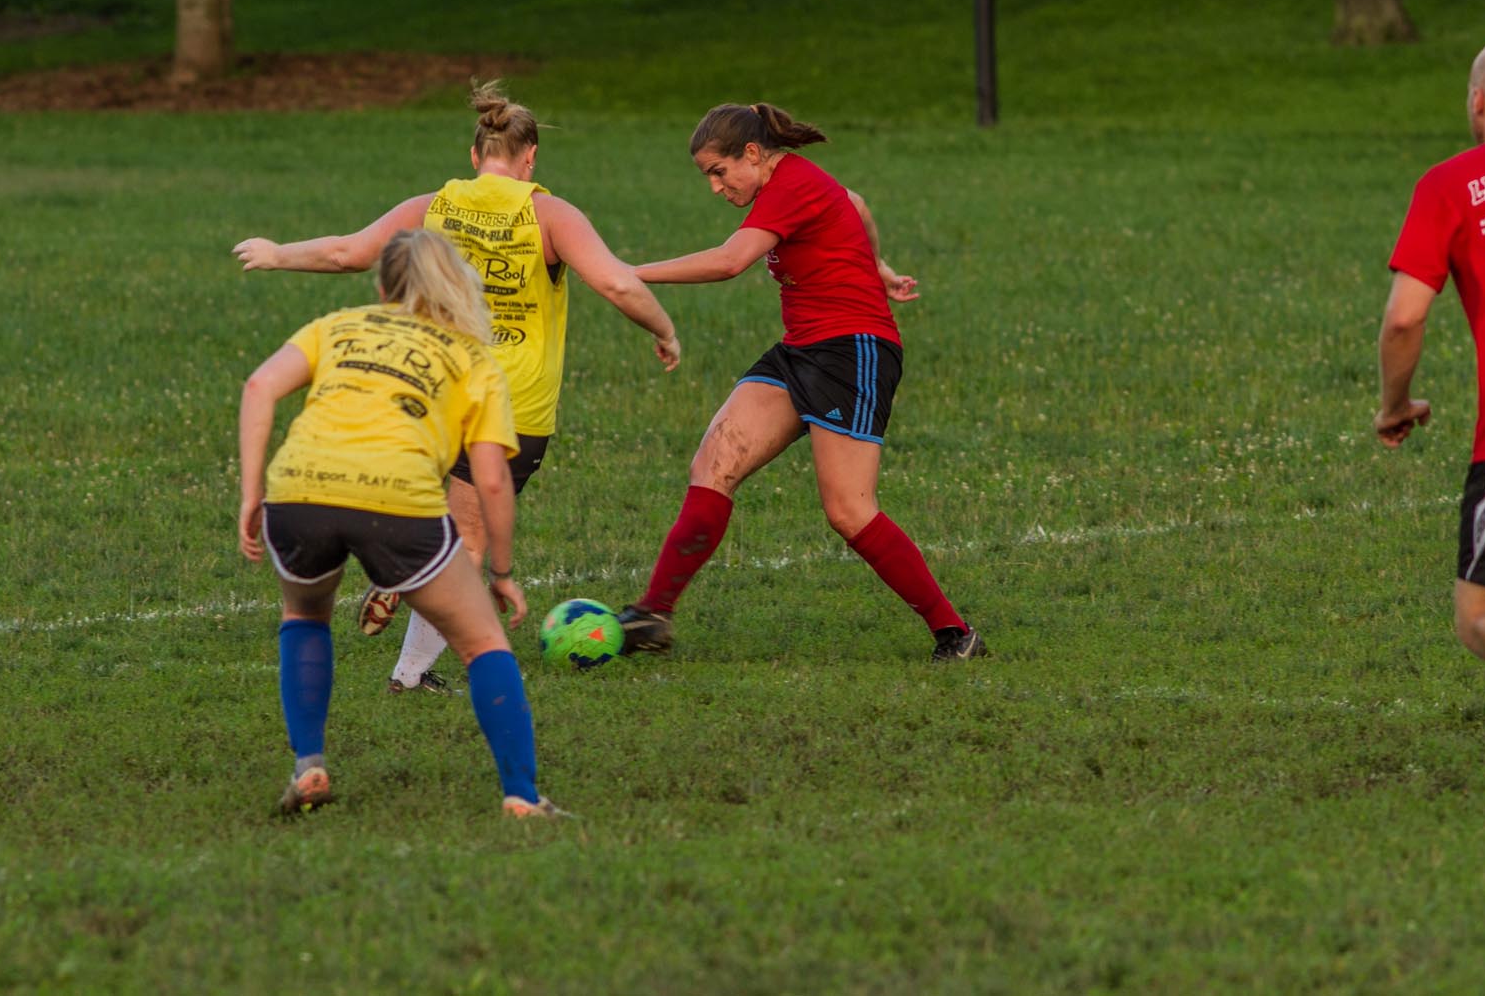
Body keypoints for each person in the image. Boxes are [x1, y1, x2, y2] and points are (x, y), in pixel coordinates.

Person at [234, 80, 680, 694]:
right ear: (530, 159)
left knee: (415, 498)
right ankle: (410, 672)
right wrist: (664, 330)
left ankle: (392, 573)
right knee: (466, 540)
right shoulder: (550, 215)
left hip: (428, 392)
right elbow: (619, 284)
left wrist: (277, 252)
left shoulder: (434, 205)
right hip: (511, 402)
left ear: (474, 156)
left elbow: (348, 253)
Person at [614, 103, 984, 662]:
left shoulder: (791, 183)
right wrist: (878, 266)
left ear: (753, 154)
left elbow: (730, 261)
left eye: (719, 172)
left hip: (854, 351)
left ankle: (955, 633)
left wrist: (628, 273)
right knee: (714, 465)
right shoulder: (789, 183)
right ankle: (653, 614)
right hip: (802, 349)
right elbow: (854, 203)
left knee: (849, 511)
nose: (715, 187)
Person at [239, 228, 561, 817]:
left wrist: (251, 493)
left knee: (305, 615)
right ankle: (521, 796)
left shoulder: (338, 326)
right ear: (455, 286)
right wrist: (502, 571)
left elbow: (259, 386)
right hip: (399, 501)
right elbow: (491, 480)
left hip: (300, 490)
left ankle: (310, 766)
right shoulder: (473, 357)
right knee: (483, 642)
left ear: (383, 286)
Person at [1376, 38, 1485, 668]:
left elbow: (1404, 318)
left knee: (1481, 618)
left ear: (1477, 101)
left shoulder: (1450, 184)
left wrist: (1393, 406)